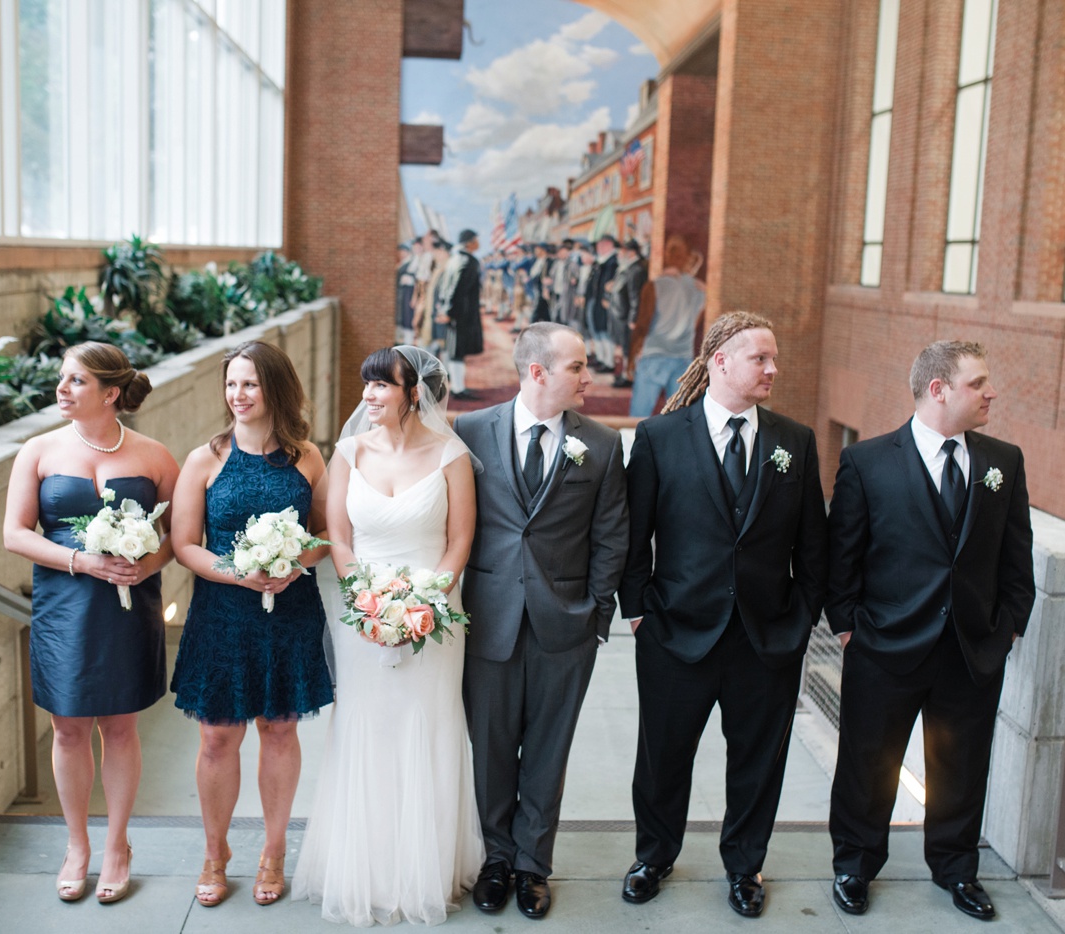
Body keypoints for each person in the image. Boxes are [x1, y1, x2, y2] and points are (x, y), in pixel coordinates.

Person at [617, 313, 827, 918]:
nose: (773, 369)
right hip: (674, 633)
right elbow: (636, 538)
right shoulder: (658, 437)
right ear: (720, 363)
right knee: (662, 756)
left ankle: (744, 866)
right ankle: (653, 856)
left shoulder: (796, 441)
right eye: (761, 357)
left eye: (774, 357)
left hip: (767, 638)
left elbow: (814, 544)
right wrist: (638, 613)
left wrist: (801, 617)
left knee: (758, 763)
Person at [826, 341, 1034, 921]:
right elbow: (842, 558)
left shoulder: (1004, 461)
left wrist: (1007, 630)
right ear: (938, 389)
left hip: (971, 652)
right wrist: (849, 629)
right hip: (884, 649)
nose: (991, 392)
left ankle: (956, 869)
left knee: (963, 767)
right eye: (979, 383)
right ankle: (855, 865)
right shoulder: (867, 462)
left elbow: (1018, 559)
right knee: (868, 764)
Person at [292, 346, 485, 926]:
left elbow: (458, 542)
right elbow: (340, 540)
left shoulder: (451, 454)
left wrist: (423, 606)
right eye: (366, 384)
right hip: (363, 620)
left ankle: (427, 869)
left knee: (428, 726)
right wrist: (367, 603)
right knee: (365, 728)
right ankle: (366, 868)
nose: (370, 395)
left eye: (382, 385)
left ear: (413, 393)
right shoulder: (347, 452)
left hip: (436, 620)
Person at [454, 322, 629, 919]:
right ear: (537, 373)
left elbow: (612, 537)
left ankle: (533, 865)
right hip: (490, 619)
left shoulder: (601, 445)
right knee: (492, 749)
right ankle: (495, 860)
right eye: (578, 367)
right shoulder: (472, 430)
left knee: (549, 751)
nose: (588, 377)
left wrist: (596, 614)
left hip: (566, 625)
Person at [2, 341, 179, 904]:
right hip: (64, 608)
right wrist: (82, 560)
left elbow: (181, 535)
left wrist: (143, 563)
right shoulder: (37, 450)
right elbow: (16, 533)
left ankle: (117, 846)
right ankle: (76, 845)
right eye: (62, 378)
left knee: (120, 727)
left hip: (129, 609)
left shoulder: (154, 456)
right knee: (68, 727)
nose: (61, 388)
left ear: (111, 393)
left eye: (76, 380)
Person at [169, 341, 333, 907]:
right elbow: (183, 544)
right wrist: (239, 573)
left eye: (250, 384)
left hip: (289, 611)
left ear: (275, 389)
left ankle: (274, 849)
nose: (238, 395)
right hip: (222, 613)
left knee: (280, 729)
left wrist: (292, 562)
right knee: (217, 736)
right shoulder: (205, 458)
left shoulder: (308, 457)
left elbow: (324, 537)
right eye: (231, 384)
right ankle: (215, 852)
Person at [628, 235, 705, 418]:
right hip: (683, 356)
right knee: (678, 419)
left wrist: (631, 356)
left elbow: (643, 325)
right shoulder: (700, 290)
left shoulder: (654, 286)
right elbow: (693, 325)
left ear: (667, 256)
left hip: (654, 355)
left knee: (639, 416)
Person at [437, 229, 484, 400]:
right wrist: (450, 312)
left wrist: (444, 309)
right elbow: (458, 290)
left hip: (454, 311)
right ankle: (458, 388)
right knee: (457, 350)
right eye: (476, 240)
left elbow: (445, 287)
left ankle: (456, 386)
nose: (478, 243)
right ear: (469, 242)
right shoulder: (468, 261)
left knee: (453, 349)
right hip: (461, 313)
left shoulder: (455, 259)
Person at [607, 238, 648, 389]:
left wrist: (633, 318)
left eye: (623, 250)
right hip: (622, 314)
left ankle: (629, 377)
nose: (620, 253)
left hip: (627, 316)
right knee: (626, 348)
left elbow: (635, 296)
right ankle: (626, 375)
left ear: (631, 252)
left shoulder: (636, 270)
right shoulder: (629, 267)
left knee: (629, 348)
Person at [584, 234, 620, 372]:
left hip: (604, 302)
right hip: (595, 300)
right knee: (596, 329)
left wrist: (607, 297)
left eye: (601, 245)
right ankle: (601, 358)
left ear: (608, 245)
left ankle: (608, 362)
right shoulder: (600, 262)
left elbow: (610, 284)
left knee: (605, 330)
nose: (598, 248)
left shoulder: (612, 262)